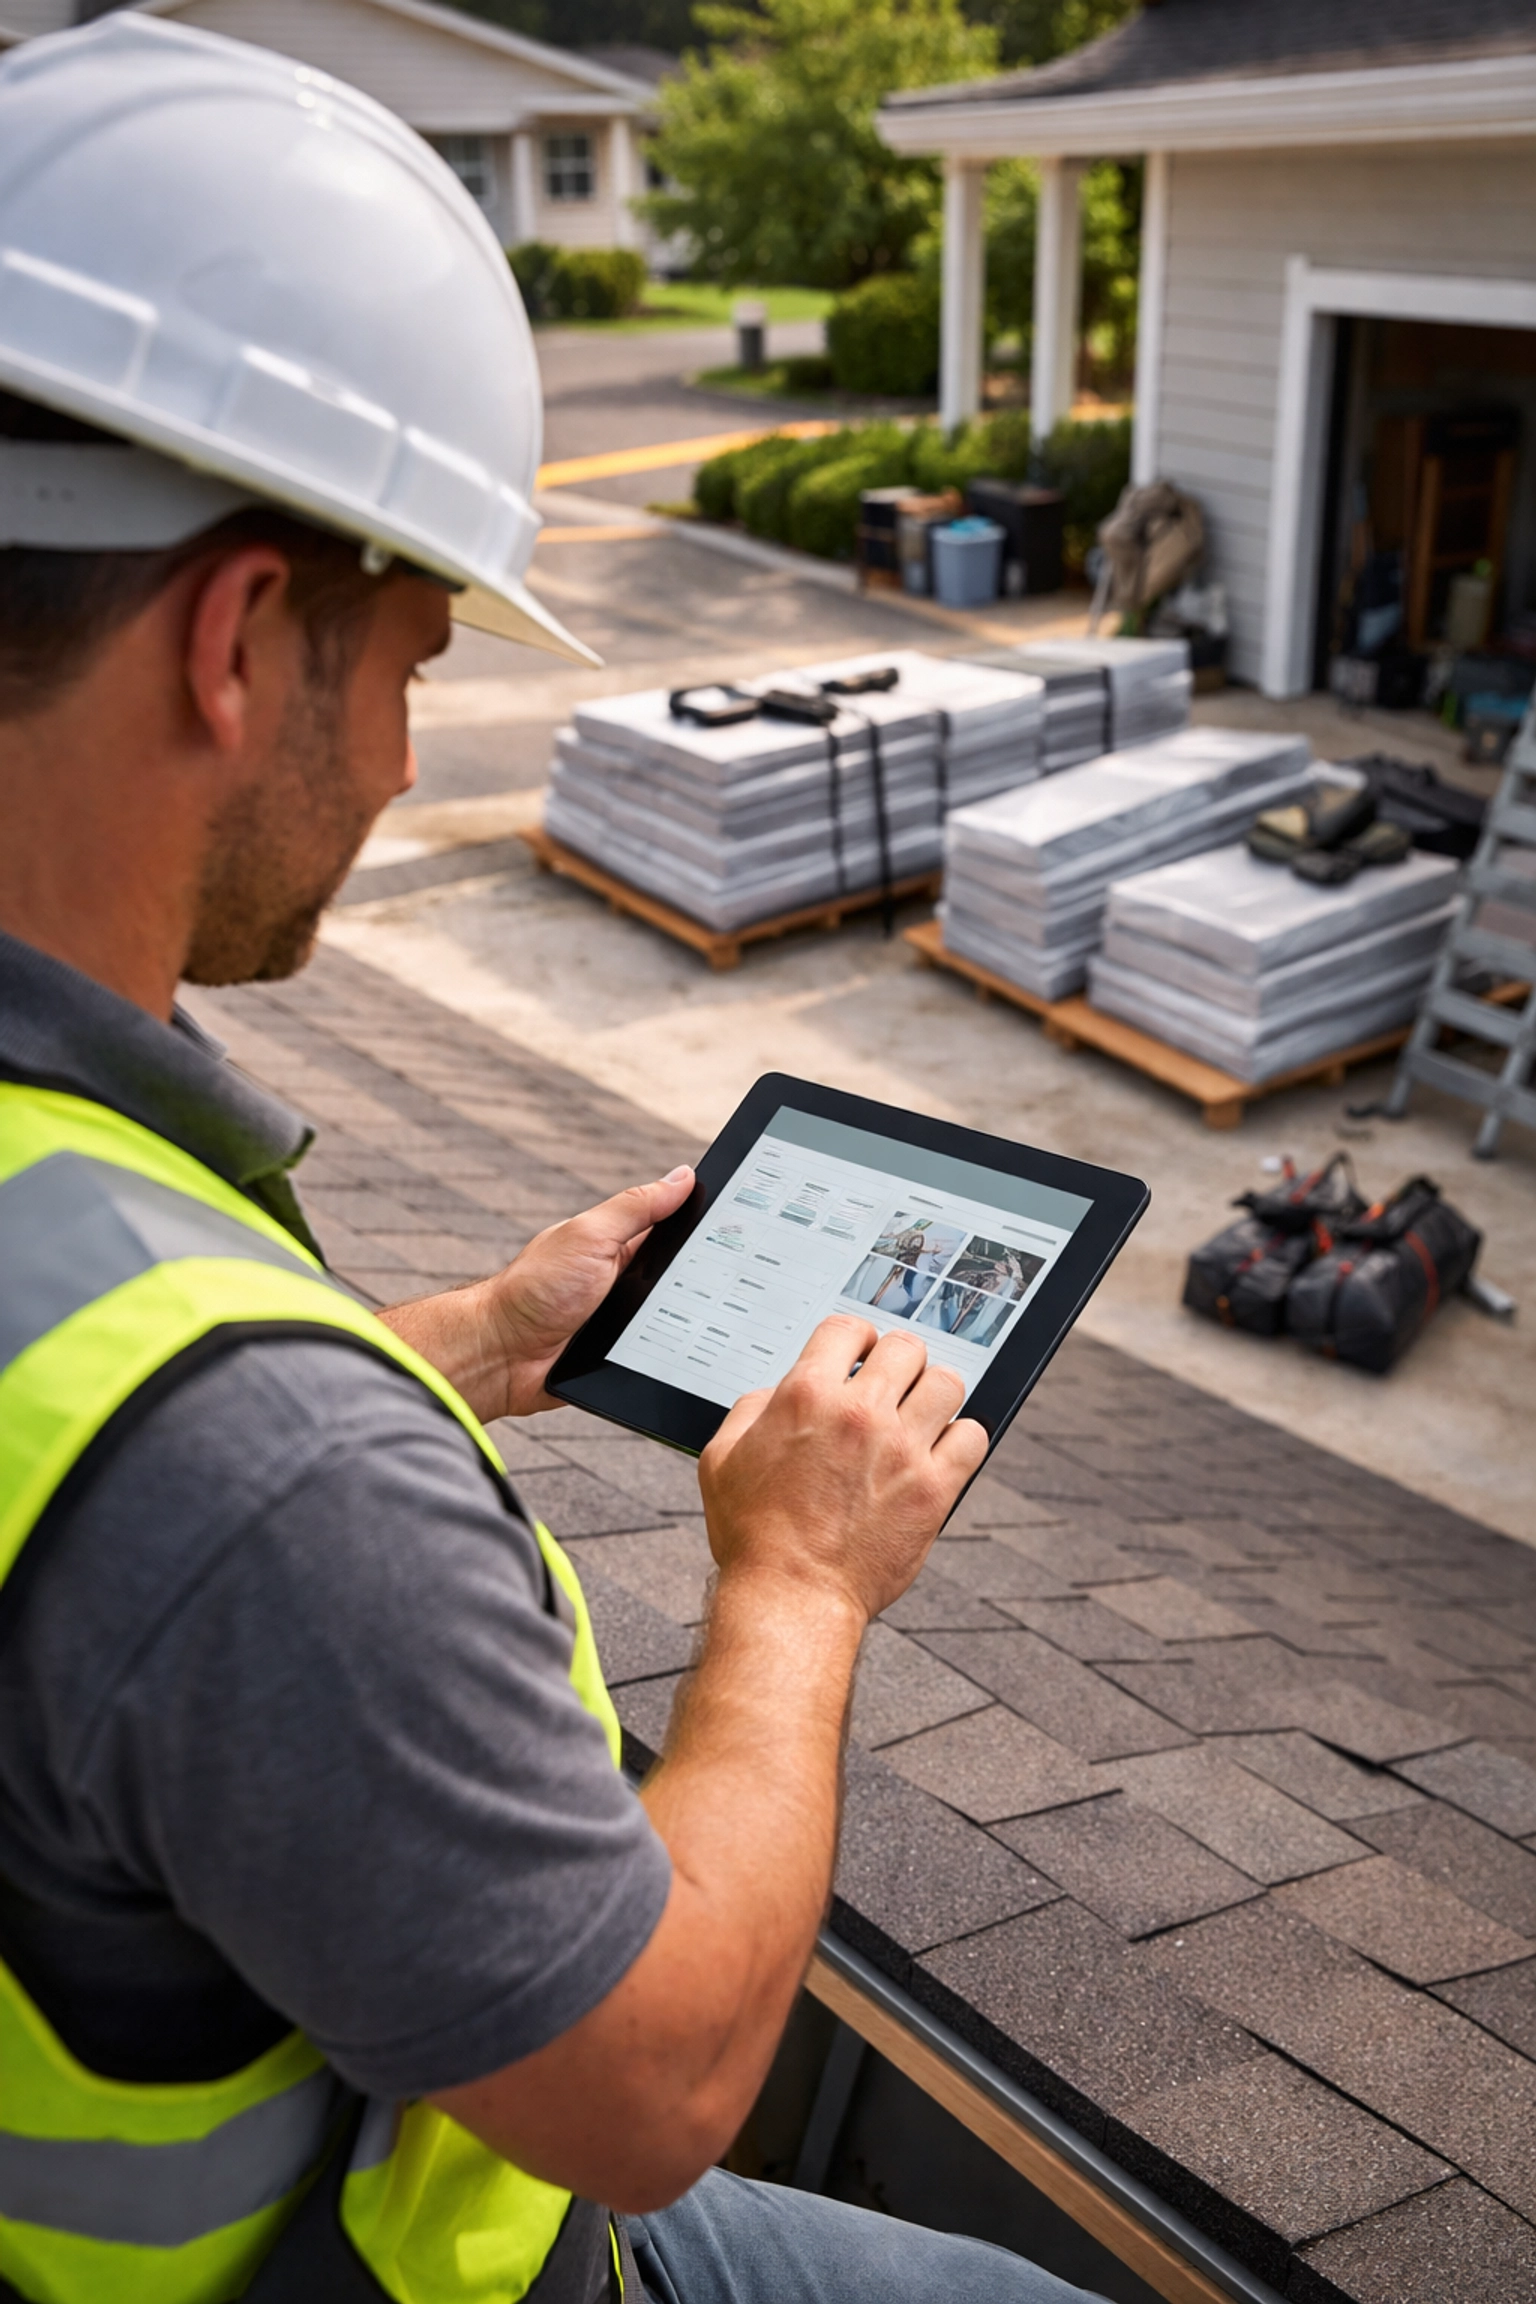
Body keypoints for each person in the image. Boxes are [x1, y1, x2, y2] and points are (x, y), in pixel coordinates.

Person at [0, 17, 1106, 2303]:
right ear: (237, 639)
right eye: (414, 661)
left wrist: (485, 1341)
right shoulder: (272, 1488)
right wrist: (800, 1587)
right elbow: (654, 2086)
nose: (413, 760)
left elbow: (75, 1447)